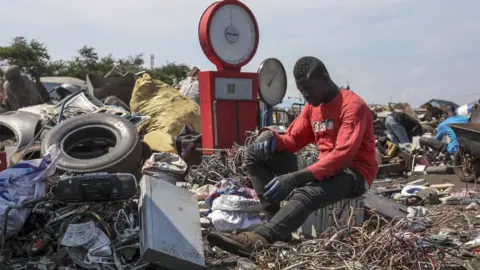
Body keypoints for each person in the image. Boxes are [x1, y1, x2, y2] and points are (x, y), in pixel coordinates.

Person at [207, 56, 378, 257]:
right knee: (255, 154)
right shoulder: (312, 106)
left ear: (325, 78)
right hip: (324, 165)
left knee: (307, 192)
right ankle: (276, 226)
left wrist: (294, 178)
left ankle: (260, 239)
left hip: (355, 173)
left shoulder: (351, 107)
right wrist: (269, 135)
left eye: (309, 89)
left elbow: (343, 156)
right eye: (301, 90)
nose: (305, 94)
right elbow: (292, 139)